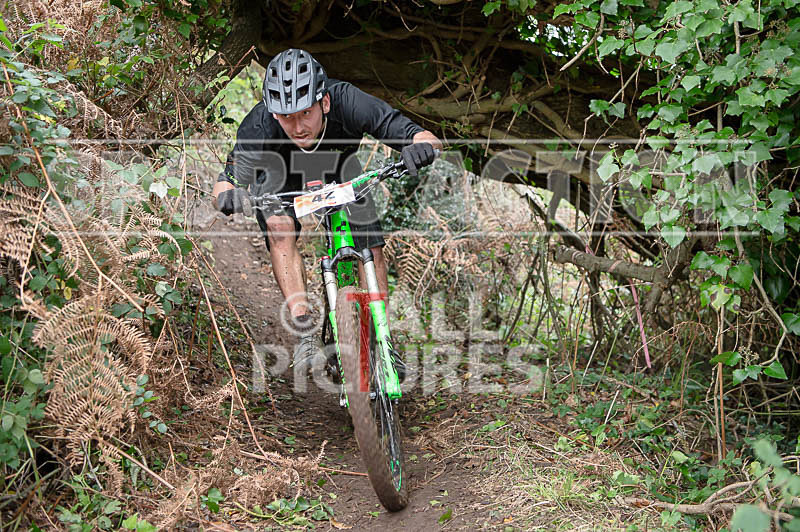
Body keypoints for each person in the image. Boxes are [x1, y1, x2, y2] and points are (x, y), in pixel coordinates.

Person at [213, 48, 442, 365]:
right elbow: (227, 179)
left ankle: (382, 337)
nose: (298, 127)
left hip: (340, 169)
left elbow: (423, 136)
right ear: (274, 113)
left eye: (305, 113)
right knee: (279, 228)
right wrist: (229, 195)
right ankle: (305, 331)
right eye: (287, 118)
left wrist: (420, 149)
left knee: (370, 246)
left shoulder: (348, 100)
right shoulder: (260, 125)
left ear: (325, 102)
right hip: (281, 175)